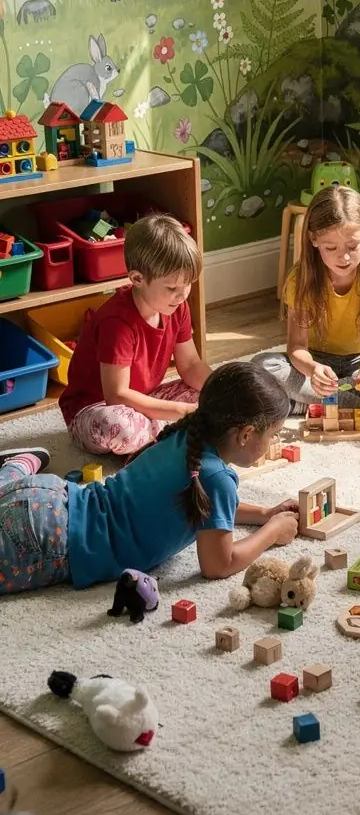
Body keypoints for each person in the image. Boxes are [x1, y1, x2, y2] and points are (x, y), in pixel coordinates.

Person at [0, 361, 299, 596]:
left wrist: (263, 514)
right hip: (48, 539)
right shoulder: (216, 478)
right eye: (273, 434)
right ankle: (17, 467)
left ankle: (17, 467)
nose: (274, 440)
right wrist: (272, 532)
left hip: (50, 496)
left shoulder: (187, 435)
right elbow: (218, 564)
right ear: (246, 434)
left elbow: (204, 507)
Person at [257, 185, 360, 421]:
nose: (343, 257)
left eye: (353, 246)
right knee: (263, 366)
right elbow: (297, 347)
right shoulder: (300, 278)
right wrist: (313, 370)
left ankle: (303, 404)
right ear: (313, 239)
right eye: (331, 248)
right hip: (316, 361)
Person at [60, 214, 213, 457]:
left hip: (144, 399)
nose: (183, 295)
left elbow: (192, 365)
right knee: (119, 428)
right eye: (172, 288)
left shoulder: (176, 307)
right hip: (97, 410)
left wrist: (221, 390)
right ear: (137, 279)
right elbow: (116, 395)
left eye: (188, 284)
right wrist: (181, 412)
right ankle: (172, 430)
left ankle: (166, 430)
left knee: (209, 394)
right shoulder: (117, 322)